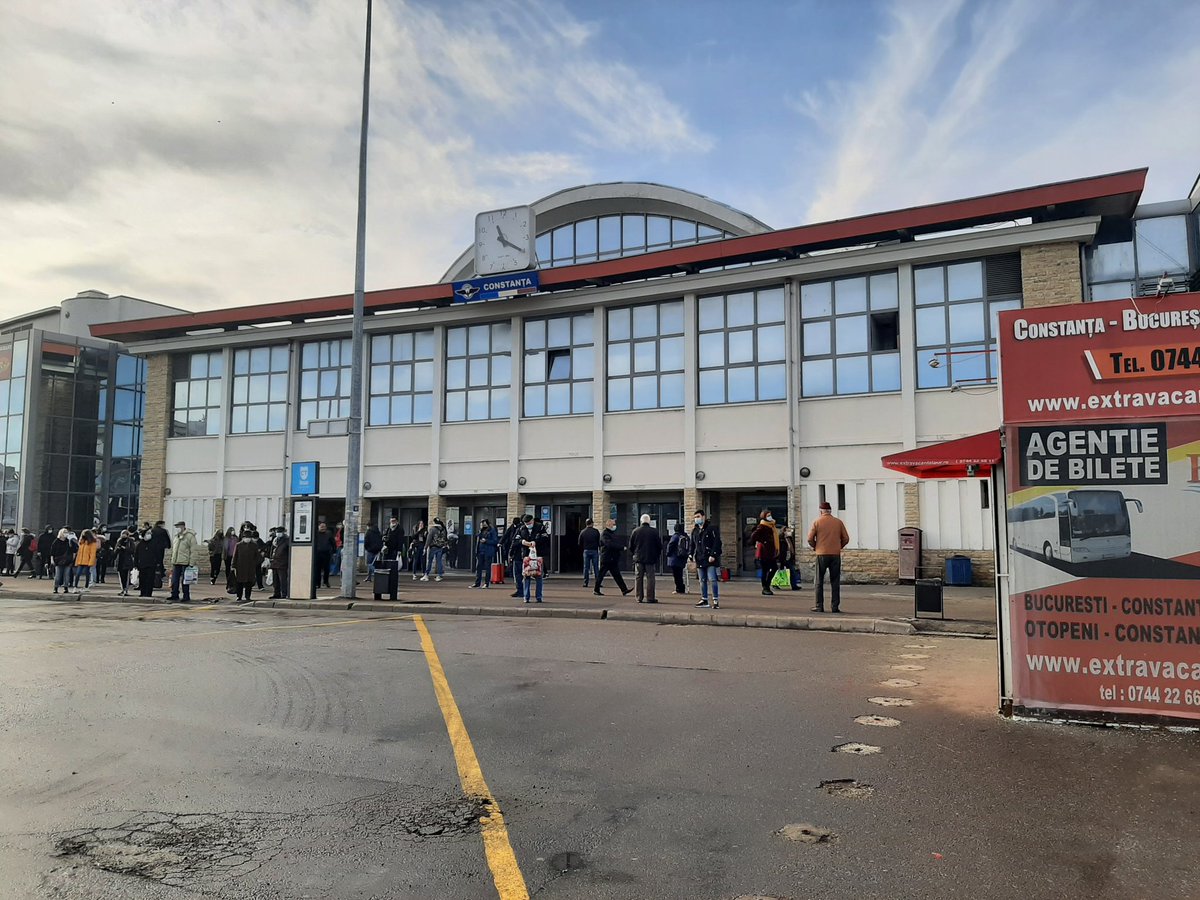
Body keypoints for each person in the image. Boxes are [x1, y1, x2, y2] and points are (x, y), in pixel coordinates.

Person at [807, 501, 850, 614]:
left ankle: (819, 606)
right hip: (835, 555)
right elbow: (846, 538)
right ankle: (835, 606)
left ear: (821, 511)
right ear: (830, 511)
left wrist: (815, 546)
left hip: (821, 554)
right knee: (835, 581)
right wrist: (838, 546)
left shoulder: (817, 522)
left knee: (818, 581)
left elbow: (810, 539)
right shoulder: (838, 522)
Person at [690, 509, 723, 609]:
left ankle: (715, 600)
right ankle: (704, 599)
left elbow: (717, 543)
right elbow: (693, 544)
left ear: (703, 517)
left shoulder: (711, 529)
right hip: (700, 558)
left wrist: (713, 555)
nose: (697, 519)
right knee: (702, 580)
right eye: (695, 517)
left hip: (710, 558)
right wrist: (690, 554)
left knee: (712, 579)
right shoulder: (695, 531)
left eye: (698, 517)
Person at [629, 514, 663, 604]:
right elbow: (659, 546)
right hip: (650, 558)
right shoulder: (654, 532)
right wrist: (656, 555)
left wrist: (634, 554)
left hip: (638, 558)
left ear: (641, 521)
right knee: (650, 578)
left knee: (638, 578)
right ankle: (650, 597)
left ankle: (639, 597)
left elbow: (631, 546)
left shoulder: (635, 531)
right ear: (649, 521)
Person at [594, 518, 631, 597]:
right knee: (601, 574)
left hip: (612, 558)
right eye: (613, 524)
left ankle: (624, 589)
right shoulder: (605, 534)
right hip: (607, 558)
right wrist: (621, 547)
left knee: (617, 575)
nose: (614, 526)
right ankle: (596, 589)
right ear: (609, 525)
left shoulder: (611, 533)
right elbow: (609, 544)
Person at [750, 509, 780, 596]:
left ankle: (767, 585)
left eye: (770, 515)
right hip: (764, 552)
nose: (770, 517)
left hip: (771, 552)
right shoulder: (762, 526)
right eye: (768, 515)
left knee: (773, 568)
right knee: (765, 570)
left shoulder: (772, 526)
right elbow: (754, 536)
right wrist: (764, 541)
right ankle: (765, 587)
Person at [169, 520, 200, 603]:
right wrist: (172, 559)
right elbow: (174, 549)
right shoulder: (176, 536)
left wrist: (191, 563)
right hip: (176, 561)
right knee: (174, 580)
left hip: (185, 562)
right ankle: (174, 594)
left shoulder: (190, 536)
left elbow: (194, 550)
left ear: (182, 526)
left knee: (185, 580)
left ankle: (186, 596)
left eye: (178, 527)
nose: (177, 529)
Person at [518, 514, 547, 603]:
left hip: (538, 556)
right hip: (526, 556)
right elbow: (516, 539)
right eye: (526, 523)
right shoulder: (522, 528)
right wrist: (523, 542)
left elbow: (545, 538)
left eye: (529, 522)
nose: (527, 524)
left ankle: (539, 597)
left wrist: (536, 542)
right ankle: (526, 597)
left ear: (533, 520)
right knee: (526, 576)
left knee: (538, 576)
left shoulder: (540, 527)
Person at [233, 529, 260, 602]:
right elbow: (235, 556)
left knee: (249, 582)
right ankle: (239, 596)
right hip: (240, 566)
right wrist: (233, 565)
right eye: (246, 537)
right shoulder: (238, 545)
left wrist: (254, 563)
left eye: (249, 537)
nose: (247, 539)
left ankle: (248, 596)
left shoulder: (254, 545)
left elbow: (257, 556)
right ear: (243, 538)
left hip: (250, 567)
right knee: (239, 582)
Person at [471, 519, 498, 589]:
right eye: (481, 524)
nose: (482, 525)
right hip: (480, 551)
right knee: (478, 567)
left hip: (488, 551)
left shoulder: (492, 530)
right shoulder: (480, 531)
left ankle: (486, 583)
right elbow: (477, 539)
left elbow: (495, 541)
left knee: (487, 568)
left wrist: (486, 541)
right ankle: (477, 583)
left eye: (484, 523)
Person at [501, 517, 524, 598]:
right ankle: (520, 591)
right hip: (517, 555)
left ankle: (522, 591)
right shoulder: (513, 528)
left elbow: (514, 543)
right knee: (518, 574)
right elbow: (506, 535)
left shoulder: (521, 530)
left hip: (520, 555)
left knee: (520, 574)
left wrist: (511, 553)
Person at [134, 528, 159, 599]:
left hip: (151, 565)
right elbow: (136, 555)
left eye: (150, 533)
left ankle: (148, 593)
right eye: (147, 533)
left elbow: (157, 554)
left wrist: (157, 563)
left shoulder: (154, 543)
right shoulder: (140, 544)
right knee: (142, 579)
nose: (149, 535)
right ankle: (143, 592)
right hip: (142, 565)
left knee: (150, 579)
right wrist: (135, 564)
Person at [666, 522, 691, 595]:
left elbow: (670, 545)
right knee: (679, 574)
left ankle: (679, 589)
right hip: (682, 557)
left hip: (675, 558)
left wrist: (668, 553)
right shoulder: (685, 536)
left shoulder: (675, 536)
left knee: (676, 575)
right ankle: (681, 588)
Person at [422, 518, 448, 582]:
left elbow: (429, 539)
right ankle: (439, 575)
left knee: (430, 561)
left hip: (433, 547)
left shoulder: (432, 529)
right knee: (439, 561)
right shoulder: (443, 529)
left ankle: (426, 574)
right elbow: (445, 539)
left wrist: (425, 547)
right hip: (440, 547)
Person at [50, 528, 75, 595]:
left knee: (66, 575)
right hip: (58, 561)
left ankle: (66, 588)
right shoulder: (56, 542)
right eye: (64, 532)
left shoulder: (69, 541)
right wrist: (52, 560)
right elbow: (52, 552)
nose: (66, 534)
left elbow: (73, 551)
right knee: (58, 576)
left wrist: (72, 559)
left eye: (67, 532)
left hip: (68, 561)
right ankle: (55, 588)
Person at [578, 519, 601, 588]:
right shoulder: (596, 531)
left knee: (586, 568)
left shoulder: (583, 532)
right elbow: (599, 542)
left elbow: (579, 543)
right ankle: (598, 582)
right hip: (594, 551)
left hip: (586, 550)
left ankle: (586, 582)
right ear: (592, 523)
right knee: (596, 567)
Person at [270, 527, 290, 599]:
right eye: (277, 532)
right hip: (274, 562)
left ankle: (284, 594)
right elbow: (272, 550)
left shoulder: (287, 540)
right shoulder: (275, 540)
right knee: (275, 580)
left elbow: (288, 551)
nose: (278, 533)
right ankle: (276, 593)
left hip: (282, 563)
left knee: (283, 580)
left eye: (280, 532)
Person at [114, 529, 136, 596]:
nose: (123, 535)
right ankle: (122, 589)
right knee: (121, 577)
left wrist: (125, 548)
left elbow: (132, 550)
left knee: (126, 576)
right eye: (122, 534)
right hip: (120, 560)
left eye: (125, 534)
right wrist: (118, 549)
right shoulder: (119, 541)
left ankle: (126, 590)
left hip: (127, 561)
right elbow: (115, 552)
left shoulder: (130, 541)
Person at [150, 520, 171, 587]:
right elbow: (167, 539)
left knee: (153, 560)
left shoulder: (152, 530)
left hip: (153, 548)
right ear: (160, 524)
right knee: (160, 560)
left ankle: (154, 572)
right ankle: (160, 573)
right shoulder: (163, 531)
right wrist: (168, 546)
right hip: (161, 548)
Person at [779, 526, 801, 591]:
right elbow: (781, 550)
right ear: (784, 531)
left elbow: (791, 548)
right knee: (787, 571)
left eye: (789, 531)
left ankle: (794, 585)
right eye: (787, 531)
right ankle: (793, 585)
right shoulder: (781, 539)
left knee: (792, 571)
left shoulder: (789, 539)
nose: (789, 532)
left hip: (789, 557)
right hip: (784, 557)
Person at [313, 522, 333, 589]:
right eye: (321, 526)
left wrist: (333, 550)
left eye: (324, 526)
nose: (323, 528)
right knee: (317, 569)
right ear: (318, 527)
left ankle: (326, 581)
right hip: (318, 553)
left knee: (326, 569)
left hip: (326, 553)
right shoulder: (315, 534)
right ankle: (317, 583)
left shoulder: (329, 534)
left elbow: (332, 542)